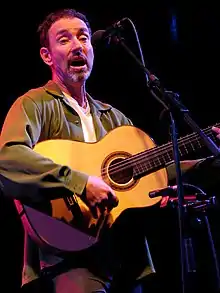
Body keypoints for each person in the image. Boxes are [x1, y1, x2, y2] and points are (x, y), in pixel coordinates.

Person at [0, 7, 219, 293]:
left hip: (128, 255)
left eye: (84, 37)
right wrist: (80, 182)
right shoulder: (34, 104)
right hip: (71, 256)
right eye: (64, 39)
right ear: (47, 55)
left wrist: (209, 157)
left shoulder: (114, 118)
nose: (78, 45)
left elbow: (155, 172)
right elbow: (9, 158)